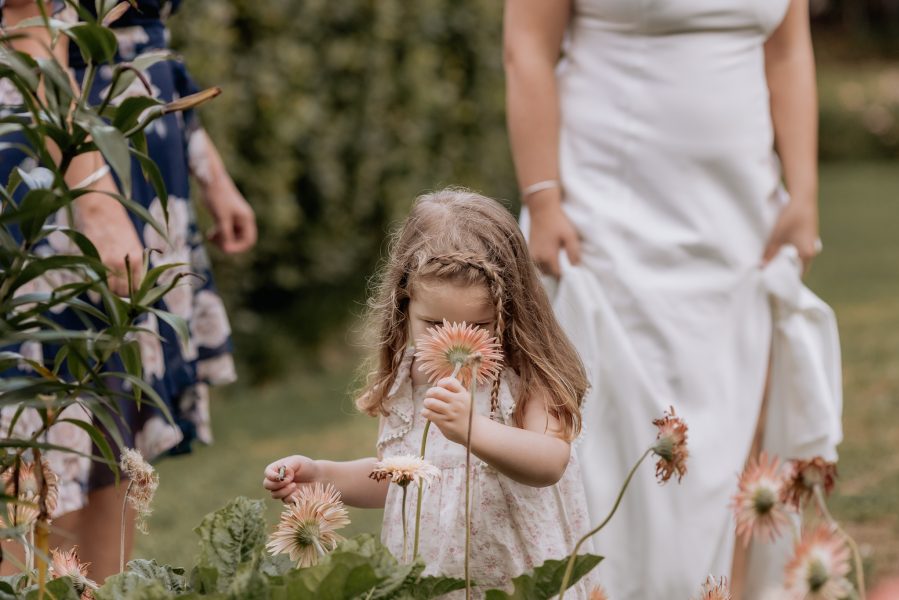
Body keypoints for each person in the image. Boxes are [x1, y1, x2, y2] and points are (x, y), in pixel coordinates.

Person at [504, 0, 842, 598]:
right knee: (623, 447)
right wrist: (544, 197)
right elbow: (526, 47)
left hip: (740, 229)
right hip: (607, 225)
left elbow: (788, 51)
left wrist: (805, 191)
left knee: (727, 449)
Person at [0, 0, 256, 581]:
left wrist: (206, 167)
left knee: (108, 422)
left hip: (123, 151)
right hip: (53, 156)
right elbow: (27, 23)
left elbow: (142, 36)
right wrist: (97, 201)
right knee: (33, 428)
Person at [263, 189, 598, 598]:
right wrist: (323, 476)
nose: (454, 340)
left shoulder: (527, 373)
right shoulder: (411, 375)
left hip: (516, 577)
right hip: (436, 576)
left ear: (513, 309)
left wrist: (474, 429)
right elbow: (402, 479)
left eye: (480, 326)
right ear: (403, 304)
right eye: (433, 323)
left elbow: (549, 462)